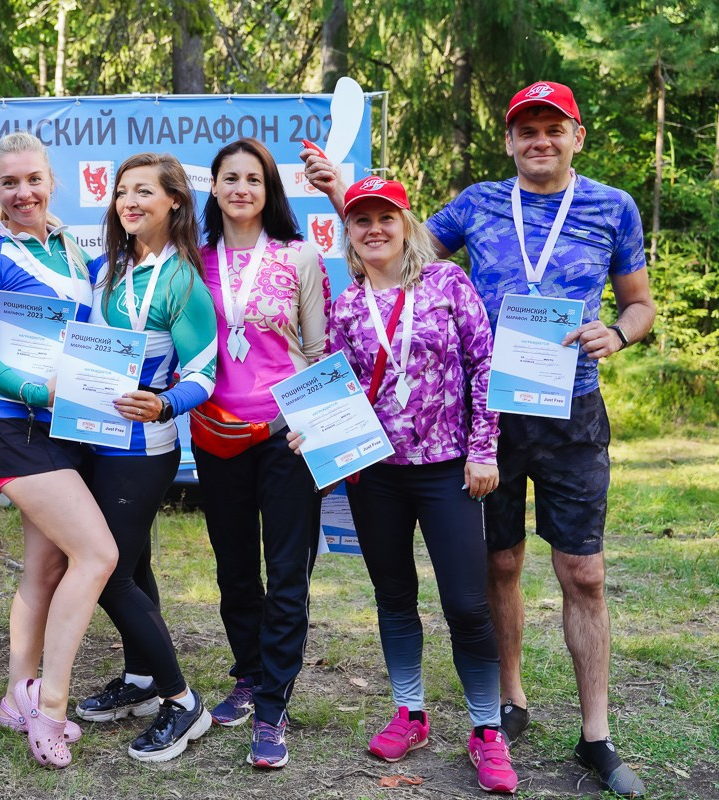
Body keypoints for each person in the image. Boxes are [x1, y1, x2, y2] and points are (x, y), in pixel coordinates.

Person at [303, 80, 655, 798]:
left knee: (582, 573)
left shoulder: (612, 207)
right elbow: (396, 244)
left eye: (554, 129)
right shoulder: (478, 203)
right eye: (527, 129)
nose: (540, 140)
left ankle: (596, 734)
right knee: (496, 568)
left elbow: (640, 302)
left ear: (576, 137)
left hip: (570, 408)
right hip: (483, 416)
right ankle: (508, 707)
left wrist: (619, 333)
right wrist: (344, 191)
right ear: (510, 140)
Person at [290, 176, 517, 793]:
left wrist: (482, 450)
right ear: (349, 234)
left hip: (448, 470)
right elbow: (334, 390)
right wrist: (314, 431)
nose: (374, 229)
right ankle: (410, 713)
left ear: (406, 222)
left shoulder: (447, 283)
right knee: (394, 598)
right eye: (361, 221)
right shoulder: (345, 305)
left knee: (467, 604)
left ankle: (486, 730)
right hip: (376, 476)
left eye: (385, 217)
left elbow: (484, 367)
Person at [0, 131, 117, 769]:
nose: (23, 193)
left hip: (66, 426)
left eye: (33, 180)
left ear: (52, 182)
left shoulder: (78, 253)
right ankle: (50, 707)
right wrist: (32, 390)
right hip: (13, 427)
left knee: (45, 568)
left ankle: (12, 696)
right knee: (97, 553)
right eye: (9, 183)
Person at [74, 153, 218, 762]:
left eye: (145, 193)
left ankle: (184, 703)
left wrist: (163, 404)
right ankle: (139, 681)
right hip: (90, 439)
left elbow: (205, 374)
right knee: (134, 565)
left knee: (106, 572)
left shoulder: (182, 279)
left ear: (175, 203)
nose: (130, 202)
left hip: (142, 449)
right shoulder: (103, 267)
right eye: (123, 192)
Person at [193, 137, 331, 769]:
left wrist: (317, 423)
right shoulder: (192, 262)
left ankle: (274, 704)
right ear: (214, 189)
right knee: (233, 570)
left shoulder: (300, 256)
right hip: (215, 432)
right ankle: (248, 675)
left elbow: (319, 345)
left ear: (269, 190)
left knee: (286, 573)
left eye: (254, 178)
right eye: (231, 178)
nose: (242, 188)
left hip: (285, 436)